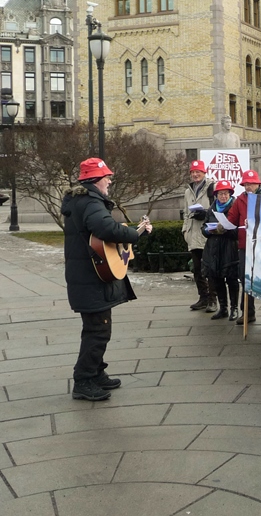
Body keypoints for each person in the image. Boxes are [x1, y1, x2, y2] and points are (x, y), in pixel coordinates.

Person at [62, 157, 152, 401]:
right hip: (90, 279)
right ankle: (83, 380)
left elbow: (99, 234)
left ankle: (96, 372)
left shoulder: (79, 200)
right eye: (107, 177)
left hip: (86, 276)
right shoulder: (91, 202)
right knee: (98, 330)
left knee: (97, 327)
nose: (110, 181)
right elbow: (107, 229)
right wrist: (134, 233)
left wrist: (131, 233)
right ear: (95, 180)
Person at [226, 170, 261, 325]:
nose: (248, 186)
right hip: (245, 245)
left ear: (258, 184)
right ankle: (248, 312)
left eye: (251, 183)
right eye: (246, 184)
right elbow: (232, 219)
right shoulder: (239, 200)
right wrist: (227, 225)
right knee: (245, 280)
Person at [201, 180, 240, 321]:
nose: (223, 196)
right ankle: (223, 308)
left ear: (230, 194)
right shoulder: (211, 209)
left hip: (229, 249)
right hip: (213, 250)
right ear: (216, 195)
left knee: (231, 280)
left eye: (226, 193)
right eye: (220, 193)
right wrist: (208, 230)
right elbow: (204, 229)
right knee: (216, 279)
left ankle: (234, 308)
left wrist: (225, 230)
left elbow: (238, 232)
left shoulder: (235, 207)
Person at [183, 160, 217, 313]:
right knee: (197, 269)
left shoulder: (212, 188)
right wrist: (185, 231)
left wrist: (206, 213)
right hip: (193, 234)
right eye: (193, 172)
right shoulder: (188, 191)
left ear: (204, 173)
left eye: (198, 172)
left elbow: (219, 208)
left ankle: (212, 299)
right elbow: (185, 213)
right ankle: (202, 297)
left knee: (209, 269)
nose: (195, 174)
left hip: (206, 234)